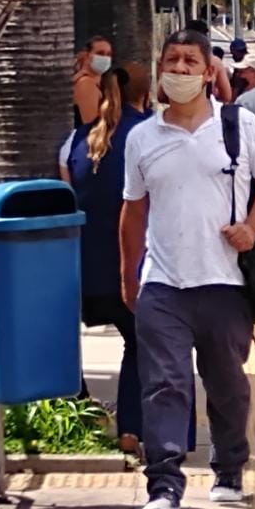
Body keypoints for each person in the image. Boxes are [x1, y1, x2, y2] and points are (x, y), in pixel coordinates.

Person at [120, 29, 255, 509]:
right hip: (164, 285)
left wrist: (252, 228)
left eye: (192, 60)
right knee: (165, 385)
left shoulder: (238, 126)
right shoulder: (142, 137)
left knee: (228, 386)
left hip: (226, 285)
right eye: (173, 60)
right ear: (161, 71)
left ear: (210, 71)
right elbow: (132, 210)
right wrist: (131, 278)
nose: (182, 68)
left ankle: (229, 469)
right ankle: (165, 484)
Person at [67, 63, 155, 456]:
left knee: (69, 342)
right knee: (138, 343)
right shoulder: (152, 135)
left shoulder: (75, 140)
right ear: (146, 94)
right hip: (131, 267)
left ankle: (79, 417)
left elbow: (68, 201)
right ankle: (131, 430)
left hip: (80, 269)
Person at [186, 20, 232, 103]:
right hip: (205, 110)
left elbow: (161, 96)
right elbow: (226, 96)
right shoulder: (214, 62)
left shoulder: (174, 62)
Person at [73, 36, 114, 127]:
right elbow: (90, 124)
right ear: (87, 55)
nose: (105, 58)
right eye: (100, 53)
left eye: (108, 54)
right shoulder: (86, 84)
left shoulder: (98, 84)